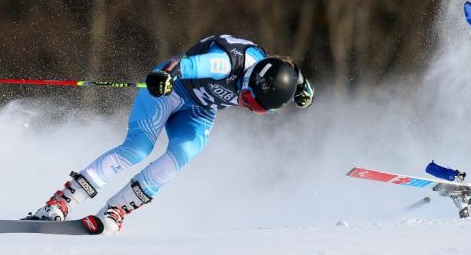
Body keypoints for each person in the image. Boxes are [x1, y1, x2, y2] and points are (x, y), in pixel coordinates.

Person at [24, 34, 315, 234]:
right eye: (249, 99)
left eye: (257, 109)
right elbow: (188, 65)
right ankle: (61, 202)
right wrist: (166, 77)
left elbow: (289, 71)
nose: (245, 105)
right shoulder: (227, 63)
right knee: (137, 149)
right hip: (170, 90)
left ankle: (116, 211)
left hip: (199, 109)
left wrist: (301, 87)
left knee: (184, 153)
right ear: (253, 78)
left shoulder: (271, 77)